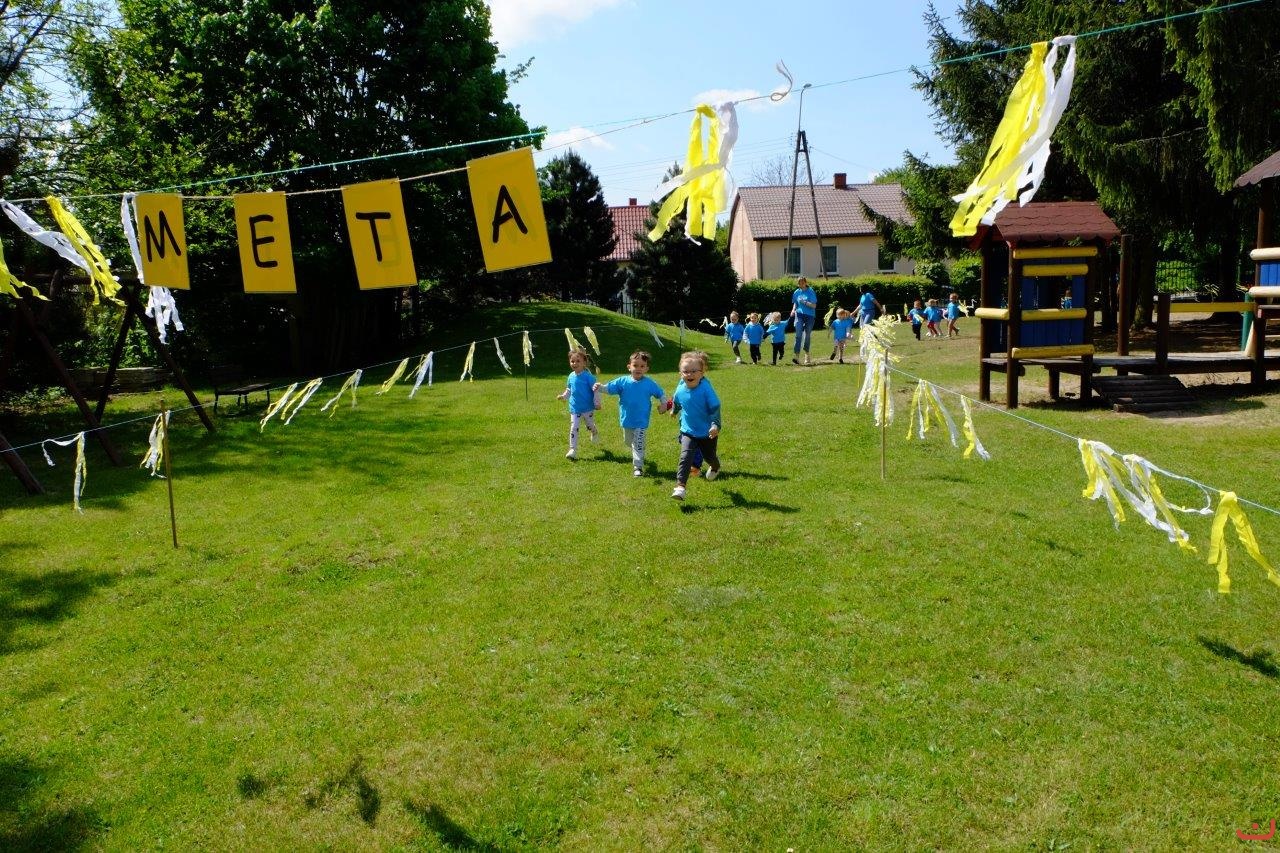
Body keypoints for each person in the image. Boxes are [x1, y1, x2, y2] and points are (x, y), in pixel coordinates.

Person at [595, 350, 668, 477]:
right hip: (627, 420)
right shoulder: (622, 381)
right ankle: (638, 447)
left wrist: (664, 404)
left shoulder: (649, 384)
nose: (638, 368)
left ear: (646, 369)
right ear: (629, 367)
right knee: (629, 442)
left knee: (637, 444)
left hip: (641, 421)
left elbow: (660, 394)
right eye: (635, 365)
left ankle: (637, 467)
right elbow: (609, 389)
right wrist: (600, 387)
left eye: (642, 366)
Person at [667, 350, 721, 500]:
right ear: (680, 373)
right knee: (685, 457)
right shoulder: (681, 387)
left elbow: (715, 407)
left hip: (707, 432)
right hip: (688, 430)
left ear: (702, 373)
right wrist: (674, 410)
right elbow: (677, 400)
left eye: (693, 371)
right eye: (685, 372)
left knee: (709, 457)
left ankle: (715, 466)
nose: (689, 374)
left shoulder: (706, 389)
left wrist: (715, 425)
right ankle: (680, 487)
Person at [556, 347, 599, 460]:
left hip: (587, 408)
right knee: (574, 427)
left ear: (584, 362)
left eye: (578, 361)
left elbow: (596, 390)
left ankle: (594, 432)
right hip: (575, 408)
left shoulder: (588, 377)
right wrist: (563, 396)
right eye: (572, 361)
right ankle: (572, 450)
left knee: (589, 425)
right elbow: (569, 390)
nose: (574, 363)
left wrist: (597, 403)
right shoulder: (571, 376)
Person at [790, 276, 818, 364]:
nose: (801, 284)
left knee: (807, 335)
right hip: (799, 315)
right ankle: (797, 356)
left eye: (802, 282)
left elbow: (814, 306)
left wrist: (805, 302)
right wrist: (793, 310)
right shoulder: (796, 292)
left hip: (810, 316)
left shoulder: (811, 291)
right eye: (799, 283)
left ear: (806, 283)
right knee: (798, 335)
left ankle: (807, 354)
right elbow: (795, 303)